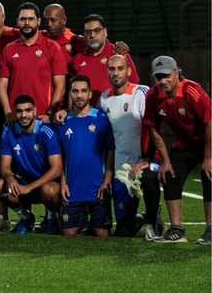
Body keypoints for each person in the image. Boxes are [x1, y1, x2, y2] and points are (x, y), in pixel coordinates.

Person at [135, 56, 211, 244]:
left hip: (208, 141)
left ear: (177, 73)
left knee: (209, 175)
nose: (162, 81)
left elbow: (210, 123)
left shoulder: (192, 91)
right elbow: (153, 128)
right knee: (169, 174)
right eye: (158, 77)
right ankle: (177, 230)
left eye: (166, 76)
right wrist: (166, 160)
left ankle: (211, 229)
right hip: (185, 144)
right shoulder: (153, 96)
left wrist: (209, 158)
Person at [98, 54, 157, 237]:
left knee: (150, 178)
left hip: (144, 163)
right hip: (120, 170)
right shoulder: (103, 98)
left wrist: (149, 159)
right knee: (123, 229)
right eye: (111, 69)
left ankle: (152, 219)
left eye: (120, 68)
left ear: (129, 71)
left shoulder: (142, 93)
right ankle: (136, 219)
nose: (116, 73)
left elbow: (155, 129)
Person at [0, 95, 63, 236]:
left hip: (44, 185)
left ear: (35, 111)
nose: (23, 115)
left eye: (28, 110)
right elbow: (5, 166)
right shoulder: (8, 132)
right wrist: (9, 177)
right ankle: (26, 217)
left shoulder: (46, 132)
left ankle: (51, 217)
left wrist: (29, 187)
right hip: (23, 183)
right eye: (19, 111)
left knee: (51, 190)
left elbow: (57, 169)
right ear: (14, 112)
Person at [57, 75, 115, 238]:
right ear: (70, 94)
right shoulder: (63, 121)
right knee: (69, 233)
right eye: (75, 91)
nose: (79, 95)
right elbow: (59, 155)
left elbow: (110, 150)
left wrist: (107, 179)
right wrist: (63, 182)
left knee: (102, 233)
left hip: (98, 189)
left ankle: (90, 221)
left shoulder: (101, 119)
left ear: (90, 94)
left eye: (83, 91)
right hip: (73, 189)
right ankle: (82, 220)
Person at [0, 2, 67, 124]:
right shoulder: (8, 49)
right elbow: (2, 85)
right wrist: (8, 112)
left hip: (42, 119)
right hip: (16, 118)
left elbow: (60, 86)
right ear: (17, 21)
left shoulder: (52, 47)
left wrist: (50, 114)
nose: (27, 23)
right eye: (23, 19)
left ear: (39, 21)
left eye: (31, 19)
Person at [68, 14, 139, 103]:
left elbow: (134, 84)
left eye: (97, 30)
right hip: (89, 114)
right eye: (88, 32)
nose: (92, 35)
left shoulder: (119, 54)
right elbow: (72, 91)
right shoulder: (77, 60)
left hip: (116, 111)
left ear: (105, 32)